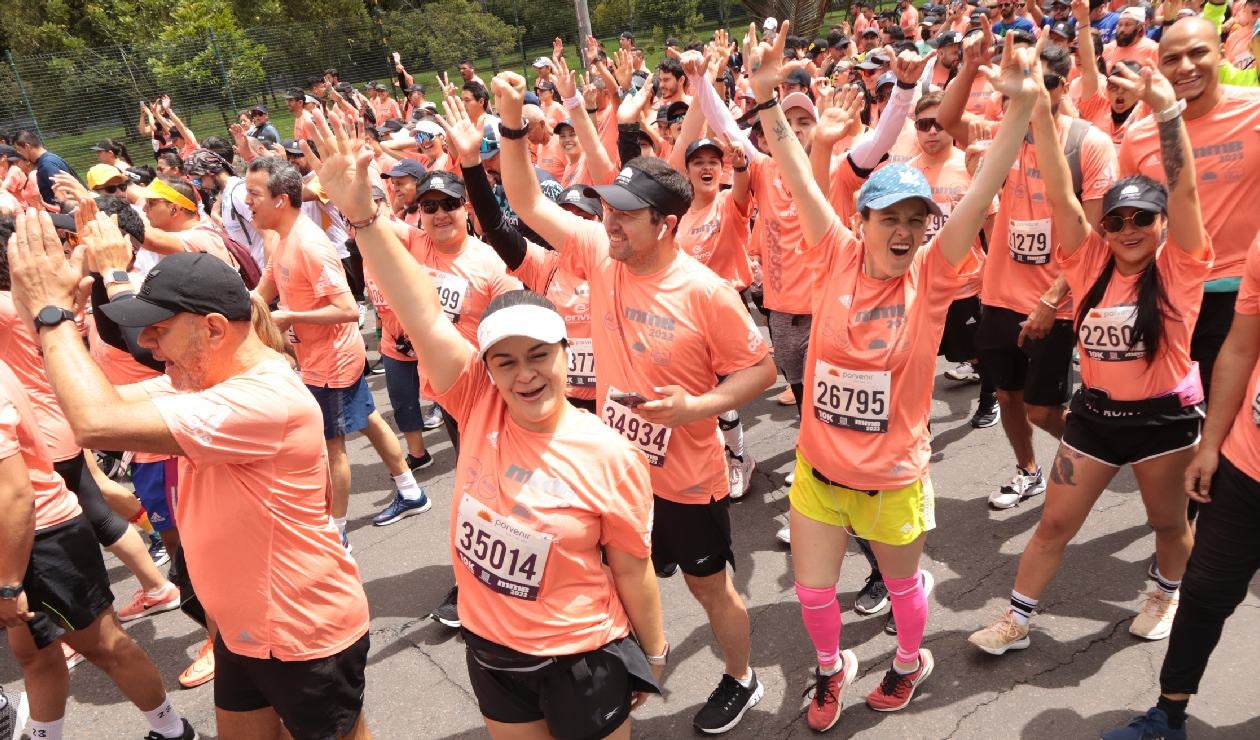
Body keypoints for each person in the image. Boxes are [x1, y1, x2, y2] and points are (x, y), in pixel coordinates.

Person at [307, 104, 668, 740]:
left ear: (566, 354)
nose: (523, 374)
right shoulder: (477, 399)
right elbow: (421, 311)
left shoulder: (610, 455)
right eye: (504, 361)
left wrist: (656, 652)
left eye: (538, 357)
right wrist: (361, 216)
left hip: (581, 650)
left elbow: (634, 569)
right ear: (487, 368)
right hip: (492, 650)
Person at [747, 19, 1042, 730]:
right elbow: (791, 165)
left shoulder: (936, 274)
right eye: (892, 217)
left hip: (892, 480)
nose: (906, 230)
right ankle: (831, 670)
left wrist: (1023, 108)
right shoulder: (836, 253)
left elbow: (987, 181)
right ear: (865, 218)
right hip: (820, 471)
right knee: (814, 594)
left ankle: (910, 662)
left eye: (919, 217)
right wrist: (764, 97)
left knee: (904, 584)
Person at [8, 210, 373, 739]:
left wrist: (52, 318)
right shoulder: (199, 381)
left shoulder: (263, 398)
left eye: (158, 331)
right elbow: (78, 406)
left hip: (302, 631)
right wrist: (43, 321)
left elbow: (95, 421)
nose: (148, 347)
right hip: (243, 631)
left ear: (214, 328)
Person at [496, 63, 778, 733]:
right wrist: (511, 123)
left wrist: (696, 409)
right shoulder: (599, 251)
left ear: (668, 224)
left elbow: (762, 372)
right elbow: (527, 201)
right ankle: (638, 664)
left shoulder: (704, 293)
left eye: (626, 216)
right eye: (608, 211)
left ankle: (744, 677)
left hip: (687, 477)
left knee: (711, 588)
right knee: (621, 580)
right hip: (617, 472)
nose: (609, 223)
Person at [970, 61, 1211, 658]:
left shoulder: (1179, 270)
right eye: (1116, 221)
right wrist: (1037, 111)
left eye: (1142, 219)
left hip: (1164, 423)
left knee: (1167, 526)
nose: (1128, 229)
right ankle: (1017, 618)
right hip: (1096, 419)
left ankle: (1165, 590)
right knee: (1053, 524)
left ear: (1161, 225)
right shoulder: (1087, 263)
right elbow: (1059, 187)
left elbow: (1185, 191)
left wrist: (1170, 113)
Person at [940, 33, 1119, 511]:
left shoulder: (1089, 143)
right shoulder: (1006, 131)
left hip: (1054, 303)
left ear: (1063, 85)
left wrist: (1054, 297)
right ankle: (1029, 471)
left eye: (1049, 81)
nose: (1039, 89)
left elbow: (1094, 234)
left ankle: (1094, 451)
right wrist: (969, 66)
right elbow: (949, 121)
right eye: (1028, 80)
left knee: (1044, 408)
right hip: (998, 293)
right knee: (1009, 396)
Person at [1101, 242, 1260, 740]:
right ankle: (1168, 716)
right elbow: (1239, 347)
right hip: (1245, 465)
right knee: (1204, 595)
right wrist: (1211, 444)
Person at [246, 156, 426, 547]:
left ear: (281, 199)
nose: (247, 202)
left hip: (332, 361)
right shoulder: (282, 240)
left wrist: (290, 316)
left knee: (333, 446)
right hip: (317, 358)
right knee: (369, 418)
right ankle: (411, 490)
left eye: (253, 194)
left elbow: (347, 309)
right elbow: (265, 290)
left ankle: (337, 532)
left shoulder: (309, 245)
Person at [909, 92, 1001, 428]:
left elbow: (993, 223)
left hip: (964, 285)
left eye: (938, 124)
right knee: (917, 356)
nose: (931, 131)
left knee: (977, 351)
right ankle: (922, 423)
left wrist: (990, 268)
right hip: (921, 286)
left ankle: (990, 398)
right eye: (923, 125)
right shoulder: (907, 172)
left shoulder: (969, 164)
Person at [12, 131, 78, 211]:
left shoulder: (47, 164)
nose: (19, 154)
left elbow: (63, 197)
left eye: (19, 150)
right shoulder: (48, 160)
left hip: (68, 216)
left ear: (27, 147)